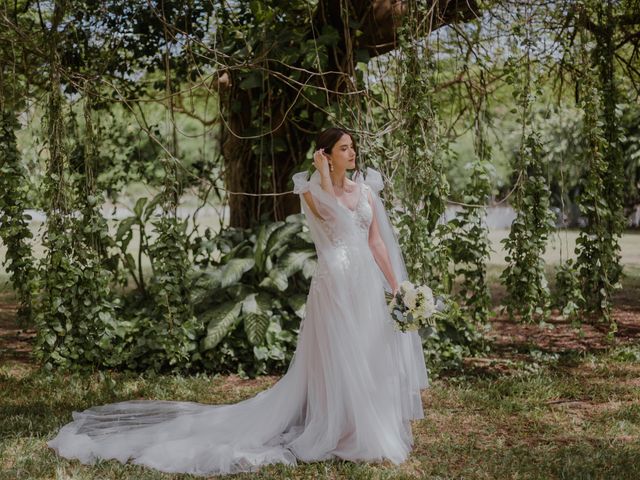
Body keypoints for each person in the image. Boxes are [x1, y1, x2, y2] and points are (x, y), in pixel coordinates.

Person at [47, 127, 429, 476]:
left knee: (365, 351)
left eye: (352, 148)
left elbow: (375, 242)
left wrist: (398, 286)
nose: (353, 153)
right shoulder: (312, 191)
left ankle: (365, 426)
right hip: (333, 282)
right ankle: (339, 429)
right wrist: (324, 173)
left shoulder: (366, 192)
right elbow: (333, 217)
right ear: (326, 155)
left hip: (363, 282)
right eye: (344, 149)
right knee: (340, 352)